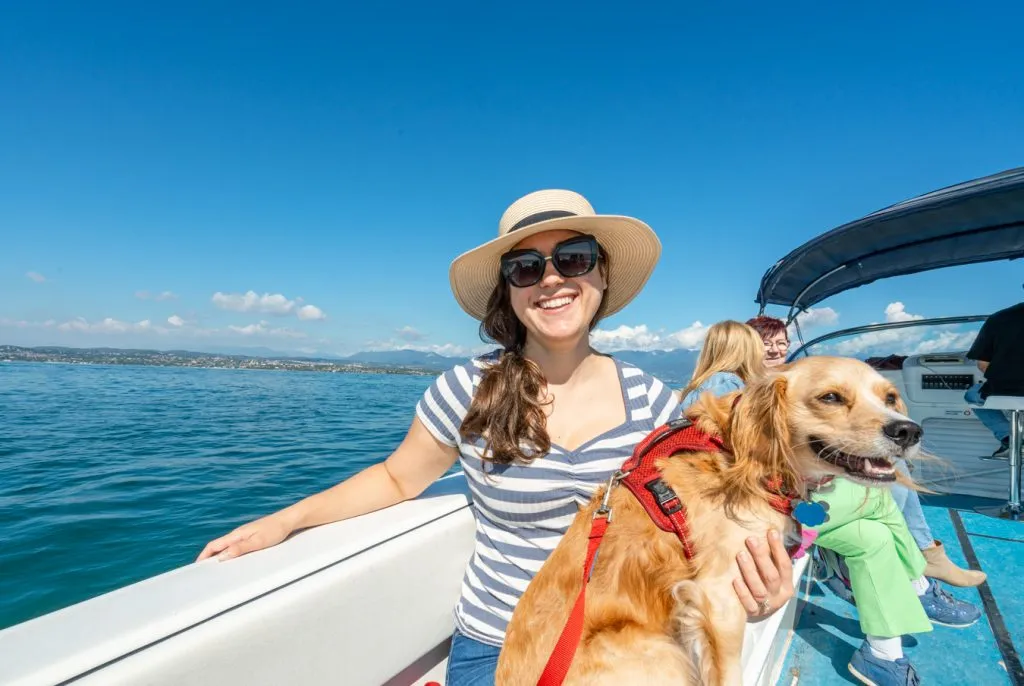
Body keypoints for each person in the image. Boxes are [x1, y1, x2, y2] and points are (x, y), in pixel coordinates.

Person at [197, 190, 794, 686]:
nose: (552, 280)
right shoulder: (470, 390)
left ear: (602, 274)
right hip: (500, 644)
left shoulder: (654, 405)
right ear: (509, 290)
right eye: (526, 268)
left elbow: (699, 529)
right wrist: (285, 520)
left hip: (626, 640)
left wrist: (761, 593)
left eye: (574, 258)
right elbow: (397, 478)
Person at [746, 315, 986, 587]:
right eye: (767, 343)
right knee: (884, 500)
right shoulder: (740, 388)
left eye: (782, 342)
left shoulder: (802, 374)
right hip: (781, 492)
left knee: (883, 506)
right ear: (746, 346)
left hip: (812, 485)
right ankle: (919, 567)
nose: (777, 349)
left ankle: (915, 570)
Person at [964, 298, 1024, 457]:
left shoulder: (998, 318)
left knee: (972, 394)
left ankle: (1008, 437)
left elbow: (983, 364)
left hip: (1002, 391)